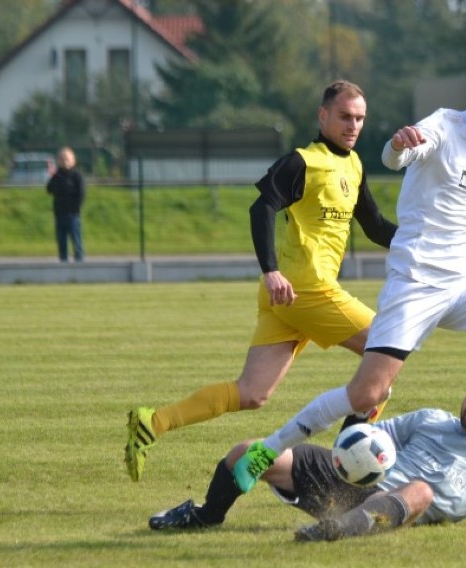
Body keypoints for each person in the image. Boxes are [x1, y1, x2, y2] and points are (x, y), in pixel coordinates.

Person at [234, 63, 466, 492]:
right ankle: (266, 450)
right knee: (366, 394)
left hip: (460, 285)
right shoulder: (441, 124)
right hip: (414, 283)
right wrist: (398, 146)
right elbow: (394, 156)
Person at [124, 80, 397, 482]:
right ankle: (345, 469)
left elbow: (374, 226)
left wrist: (425, 238)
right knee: (386, 356)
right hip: (306, 289)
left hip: (290, 296)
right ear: (323, 116)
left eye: (359, 118)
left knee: (252, 393)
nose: (353, 124)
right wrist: (269, 270)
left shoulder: (353, 166)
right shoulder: (304, 161)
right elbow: (262, 206)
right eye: (344, 116)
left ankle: (154, 422)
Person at [148, 367, 466, 540]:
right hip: (350, 483)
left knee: (421, 490)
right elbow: (365, 438)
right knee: (247, 451)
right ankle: (206, 516)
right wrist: (358, 423)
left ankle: (333, 532)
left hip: (396, 506)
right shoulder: (430, 418)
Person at [46, 146, 85, 262]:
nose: (65, 162)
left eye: (67, 159)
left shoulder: (77, 176)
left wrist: (76, 208)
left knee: (76, 238)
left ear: (73, 160)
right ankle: (63, 260)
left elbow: (81, 193)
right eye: (62, 159)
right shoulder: (57, 176)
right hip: (60, 213)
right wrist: (54, 177)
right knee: (61, 239)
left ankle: (79, 260)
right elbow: (49, 189)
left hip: (73, 214)